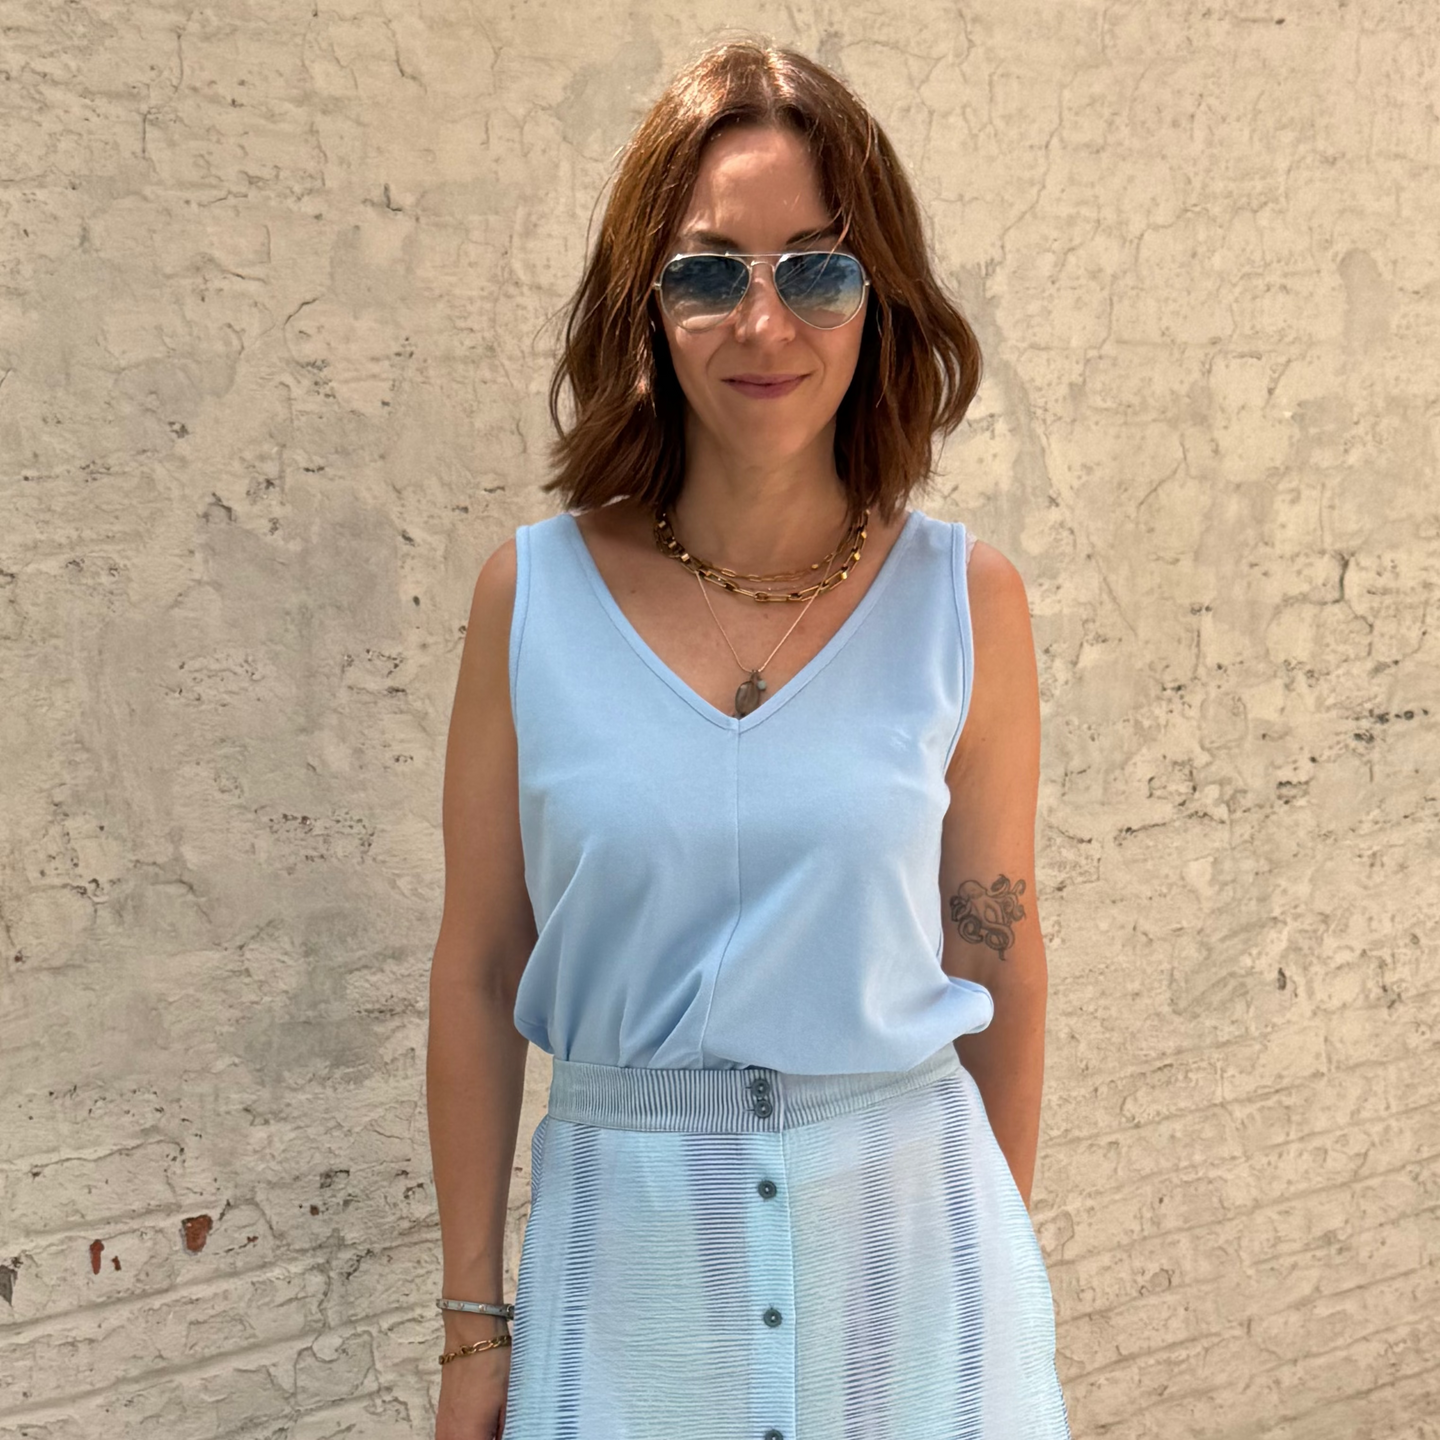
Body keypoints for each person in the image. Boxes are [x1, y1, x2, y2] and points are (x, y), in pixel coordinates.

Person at [426, 37, 1071, 1440]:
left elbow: (994, 955)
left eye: (817, 270)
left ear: (878, 300)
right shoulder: (531, 601)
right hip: (628, 1286)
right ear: (646, 305)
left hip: (908, 1267)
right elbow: (479, 968)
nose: (764, 323)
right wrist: (473, 1328)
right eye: (709, 272)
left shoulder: (965, 604)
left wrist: (984, 1273)